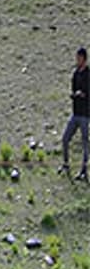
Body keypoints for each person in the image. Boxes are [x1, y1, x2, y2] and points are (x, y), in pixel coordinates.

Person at [60, 47, 89, 180]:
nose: (77, 60)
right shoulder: (75, 74)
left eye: (79, 58)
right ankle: (66, 164)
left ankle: (84, 170)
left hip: (85, 114)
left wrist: (82, 94)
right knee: (65, 138)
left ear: (84, 59)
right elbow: (73, 90)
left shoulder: (88, 74)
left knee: (84, 142)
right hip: (75, 112)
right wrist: (74, 95)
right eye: (77, 58)